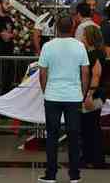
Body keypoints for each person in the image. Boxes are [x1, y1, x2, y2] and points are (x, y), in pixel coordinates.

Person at [38, 16, 90, 183]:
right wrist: (82, 92)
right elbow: (85, 72)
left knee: (52, 136)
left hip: (52, 95)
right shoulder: (80, 46)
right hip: (73, 96)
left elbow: (43, 73)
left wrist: (46, 90)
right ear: (73, 27)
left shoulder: (48, 46)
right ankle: (74, 175)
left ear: (56, 29)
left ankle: (50, 174)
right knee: (74, 136)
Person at [80, 25, 107, 168]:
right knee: (90, 127)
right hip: (92, 94)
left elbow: (96, 75)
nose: (82, 38)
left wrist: (89, 94)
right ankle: (91, 157)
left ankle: (93, 158)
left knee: (91, 127)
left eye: (84, 35)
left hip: (93, 95)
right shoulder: (92, 53)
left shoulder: (96, 54)